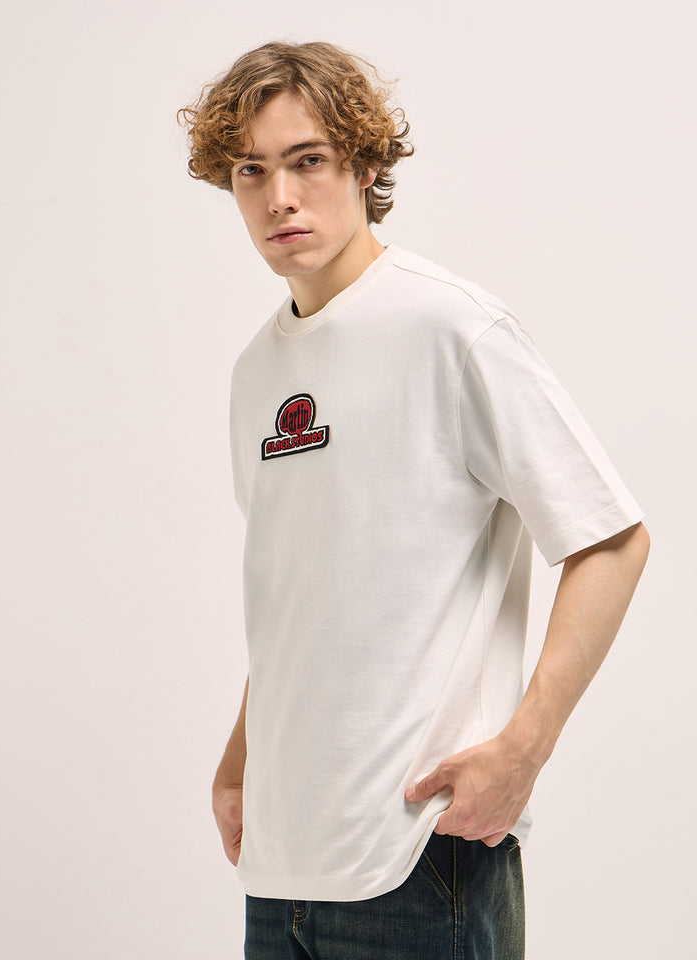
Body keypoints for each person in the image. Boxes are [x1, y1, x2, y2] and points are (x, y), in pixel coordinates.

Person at [177, 40, 650, 960]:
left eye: (307, 160)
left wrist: (525, 748)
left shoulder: (452, 326)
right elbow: (297, 592)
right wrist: (239, 760)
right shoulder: (255, 371)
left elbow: (612, 540)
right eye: (251, 171)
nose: (279, 197)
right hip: (280, 862)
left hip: (420, 853)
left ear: (362, 165)